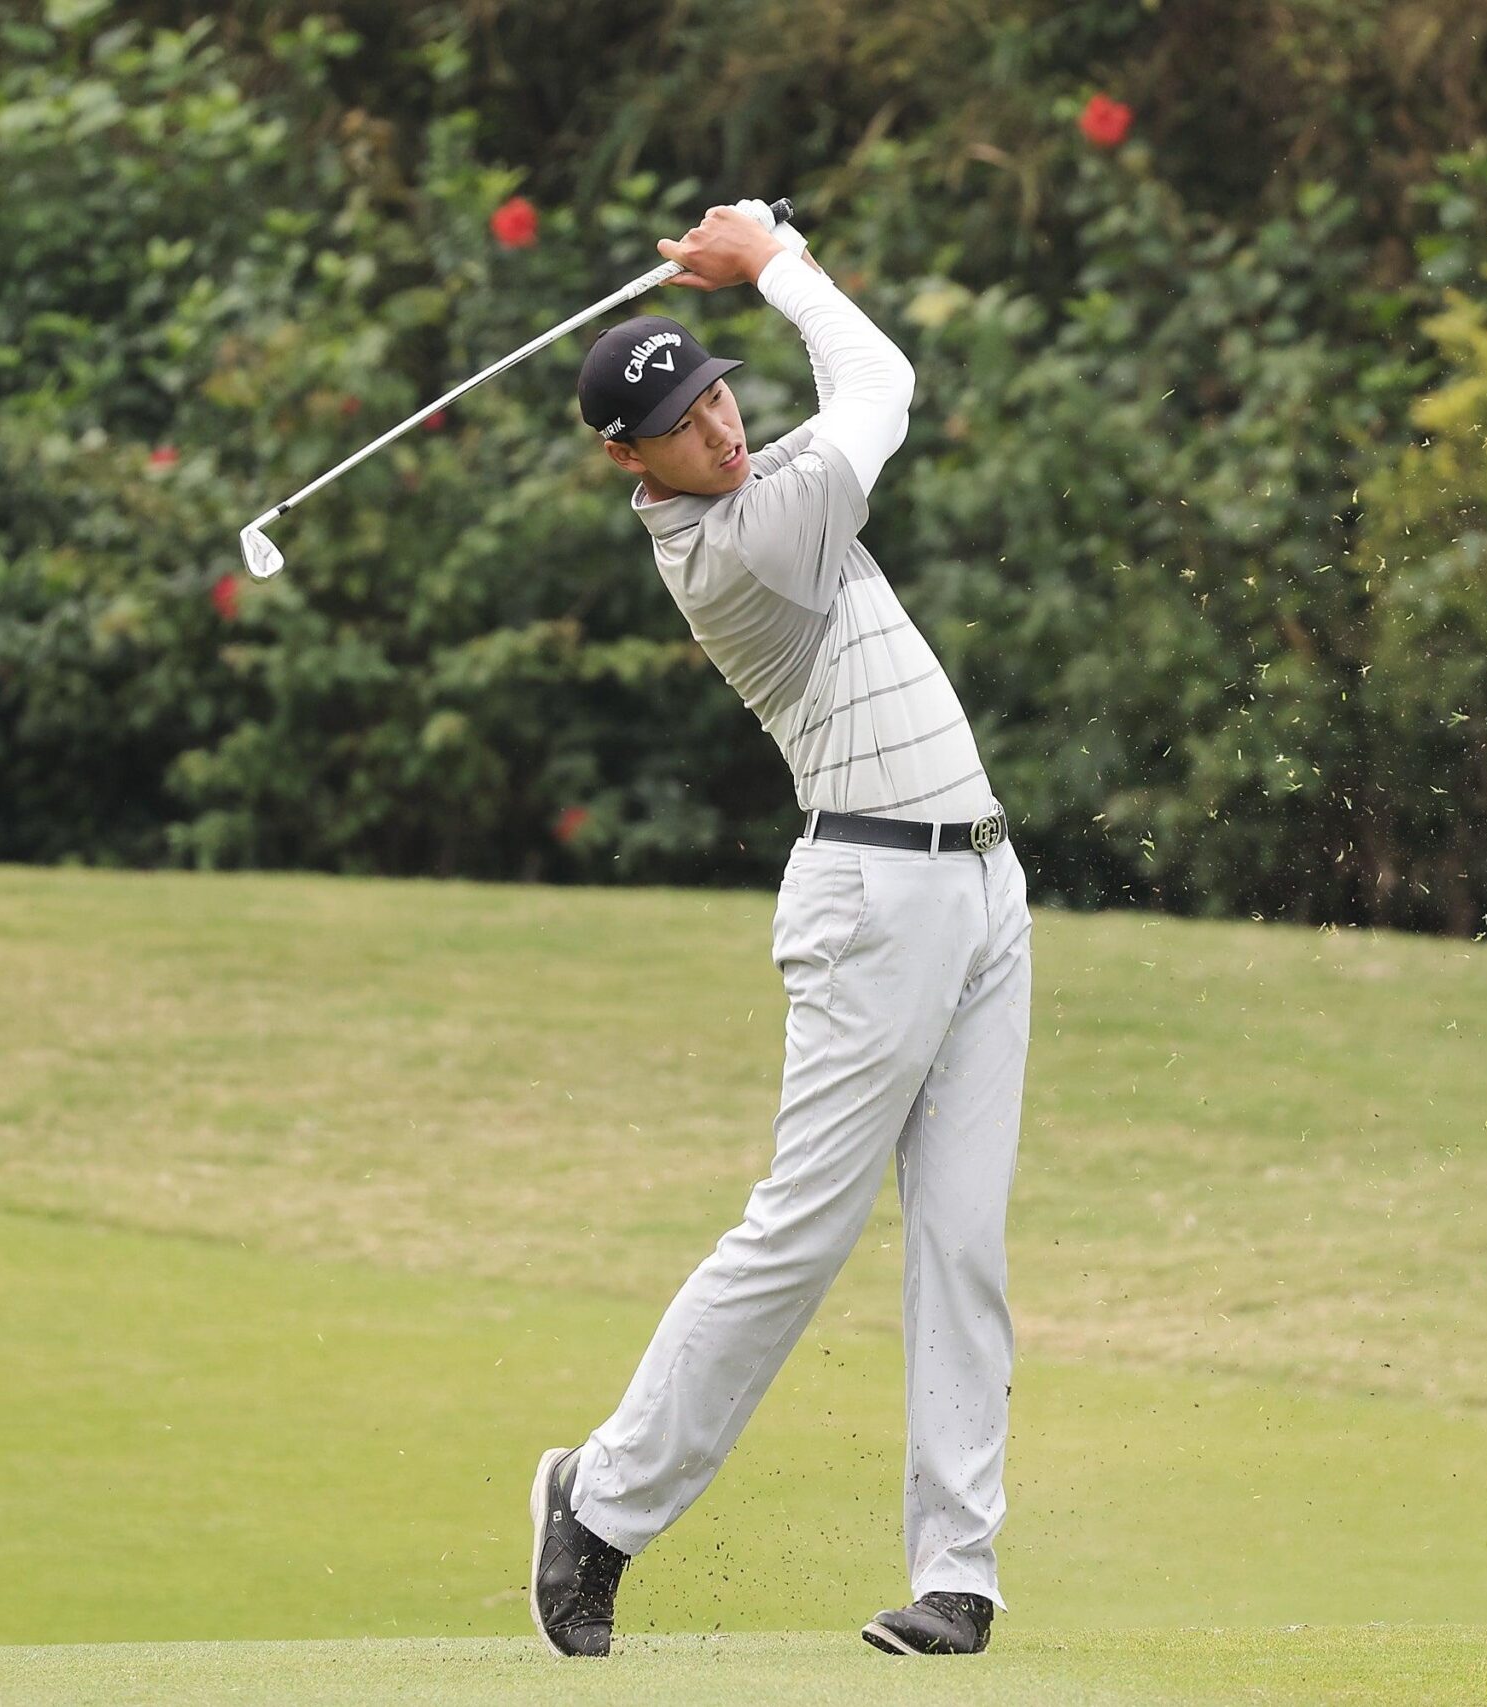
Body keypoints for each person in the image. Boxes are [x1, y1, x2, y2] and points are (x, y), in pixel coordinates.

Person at [526, 200, 1032, 1660]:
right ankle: (599, 1503)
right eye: (679, 429)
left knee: (962, 1241)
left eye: (715, 395)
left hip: (983, 884)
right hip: (873, 902)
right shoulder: (742, 545)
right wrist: (776, 265)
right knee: (802, 1232)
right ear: (630, 463)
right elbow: (883, 382)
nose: (719, 429)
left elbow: (841, 402)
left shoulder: (764, 478)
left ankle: (958, 1574)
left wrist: (763, 270)